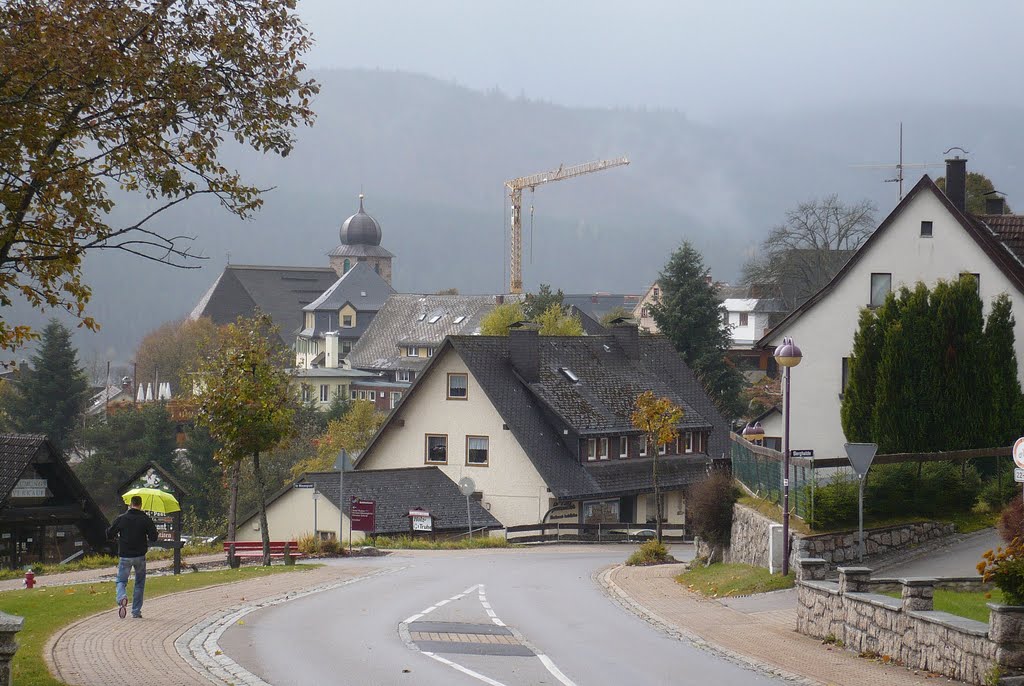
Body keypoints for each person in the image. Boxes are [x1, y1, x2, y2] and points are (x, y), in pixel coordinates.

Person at [106, 495, 158, 619]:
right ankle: (136, 611)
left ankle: (122, 597)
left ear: (130, 504)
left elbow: (109, 533)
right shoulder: (145, 519)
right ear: (140, 505)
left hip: (125, 555)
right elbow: (153, 538)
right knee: (139, 583)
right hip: (140, 556)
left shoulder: (122, 518)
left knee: (121, 580)